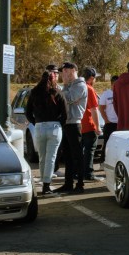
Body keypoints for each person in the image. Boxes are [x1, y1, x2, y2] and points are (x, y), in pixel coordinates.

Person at [24, 67, 67, 196]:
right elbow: (65, 113)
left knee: (42, 157)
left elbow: (28, 111)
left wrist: (35, 121)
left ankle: (44, 181)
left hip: (39, 126)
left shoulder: (34, 92)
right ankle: (46, 185)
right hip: (54, 127)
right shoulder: (57, 93)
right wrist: (59, 123)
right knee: (51, 157)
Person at [56, 62, 87, 194]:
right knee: (67, 155)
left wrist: (63, 92)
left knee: (77, 155)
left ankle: (80, 184)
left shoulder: (80, 85)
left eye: (65, 71)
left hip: (74, 123)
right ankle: (68, 183)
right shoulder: (68, 86)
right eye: (62, 71)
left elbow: (67, 98)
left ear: (73, 70)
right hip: (66, 123)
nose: (63, 74)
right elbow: (62, 100)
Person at [78, 67, 101, 183]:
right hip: (88, 124)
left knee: (78, 151)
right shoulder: (89, 89)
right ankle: (88, 173)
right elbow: (94, 110)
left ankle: (77, 172)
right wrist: (98, 127)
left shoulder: (76, 87)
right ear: (91, 78)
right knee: (89, 150)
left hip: (77, 124)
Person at [98, 75, 119, 161]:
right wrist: (106, 120)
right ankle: (103, 162)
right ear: (112, 84)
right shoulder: (106, 94)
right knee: (107, 143)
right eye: (116, 84)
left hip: (119, 123)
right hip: (109, 123)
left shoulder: (121, 93)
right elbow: (101, 108)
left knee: (118, 145)